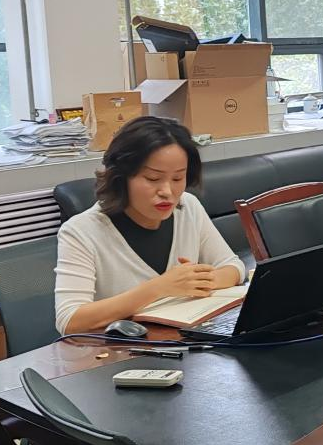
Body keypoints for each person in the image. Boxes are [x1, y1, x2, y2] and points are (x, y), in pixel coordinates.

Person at [54, 116, 246, 335]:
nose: (167, 191)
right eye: (153, 179)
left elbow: (233, 267)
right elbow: (69, 320)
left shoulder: (187, 207)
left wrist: (197, 282)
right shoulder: (81, 231)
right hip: (120, 350)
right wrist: (159, 288)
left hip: (180, 341)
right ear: (121, 177)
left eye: (177, 179)